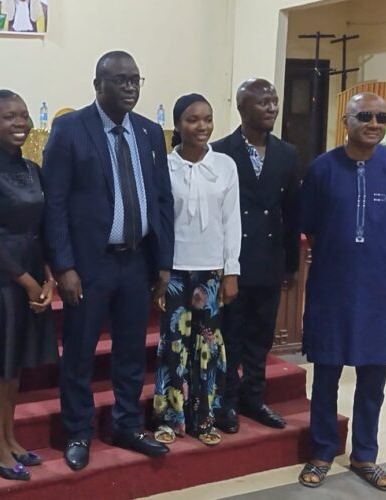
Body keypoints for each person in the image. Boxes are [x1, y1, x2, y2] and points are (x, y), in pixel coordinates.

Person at [42, 50, 174, 471]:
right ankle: (78, 431)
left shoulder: (151, 133)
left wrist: (163, 263)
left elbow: (162, 201)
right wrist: (63, 266)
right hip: (89, 264)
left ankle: (126, 424)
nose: (130, 87)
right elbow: (55, 202)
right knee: (80, 351)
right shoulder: (70, 129)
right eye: (120, 80)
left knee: (132, 350)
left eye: (135, 79)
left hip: (137, 261)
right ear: (98, 85)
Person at [297, 92, 386, 491]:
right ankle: (322, 451)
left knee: (374, 379)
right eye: (365, 116)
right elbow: (311, 227)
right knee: (326, 375)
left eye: (381, 117)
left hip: (381, 289)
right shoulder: (322, 169)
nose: (374, 123)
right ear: (346, 121)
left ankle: (365, 455)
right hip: (332, 289)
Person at [0, 90, 58, 481]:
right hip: (0, 279)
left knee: (15, 362)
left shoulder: (34, 169)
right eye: (8, 117)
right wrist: (27, 283)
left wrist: (48, 278)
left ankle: (11, 436)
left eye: (23, 116)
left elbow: (45, 228)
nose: (19, 123)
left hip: (33, 272)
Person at [211, 78, 300, 433]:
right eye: (263, 102)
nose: (271, 108)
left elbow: (292, 213)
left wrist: (291, 264)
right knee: (229, 336)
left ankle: (254, 397)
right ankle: (227, 402)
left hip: (268, 260)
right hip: (231, 263)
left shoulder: (287, 154)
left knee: (260, 337)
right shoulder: (220, 151)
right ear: (242, 107)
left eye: (274, 101)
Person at [152, 94, 241, 447]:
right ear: (178, 125)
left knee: (207, 347)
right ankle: (169, 417)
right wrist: (157, 270)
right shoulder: (163, 166)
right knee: (173, 346)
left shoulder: (225, 165)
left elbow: (231, 220)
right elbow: (158, 222)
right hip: (173, 270)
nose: (201, 126)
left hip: (210, 271)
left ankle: (203, 417)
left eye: (207, 118)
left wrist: (231, 271)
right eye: (192, 119)